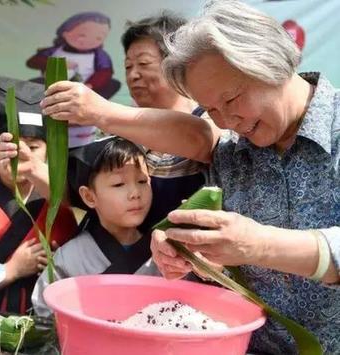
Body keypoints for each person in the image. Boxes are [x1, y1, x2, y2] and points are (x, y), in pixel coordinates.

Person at [39, 1, 340, 353]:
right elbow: (199, 136)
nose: (226, 120)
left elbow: (256, 245)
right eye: (211, 108)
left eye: (231, 99)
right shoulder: (233, 149)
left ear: (270, 62)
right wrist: (196, 257)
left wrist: (259, 246)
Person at [0, 75, 77, 313]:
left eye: (34, 147)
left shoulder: (62, 209)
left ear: (49, 152)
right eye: (9, 148)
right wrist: (12, 270)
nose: (21, 156)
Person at [32, 136, 159, 317]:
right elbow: (46, 311)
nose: (135, 193)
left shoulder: (163, 251)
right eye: (118, 184)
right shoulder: (69, 258)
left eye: (142, 181)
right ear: (89, 197)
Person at [121, 12, 206, 228]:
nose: (133, 75)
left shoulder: (210, 120)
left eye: (143, 63)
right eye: (128, 66)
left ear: (176, 64)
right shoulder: (117, 131)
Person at [26, 11, 120, 148]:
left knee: (112, 84)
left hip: (84, 93)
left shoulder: (99, 55)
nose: (88, 41)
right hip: (52, 92)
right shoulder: (54, 51)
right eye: (82, 35)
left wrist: (91, 85)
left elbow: (105, 72)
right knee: (33, 84)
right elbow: (33, 61)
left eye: (98, 37)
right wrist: (54, 63)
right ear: (65, 32)